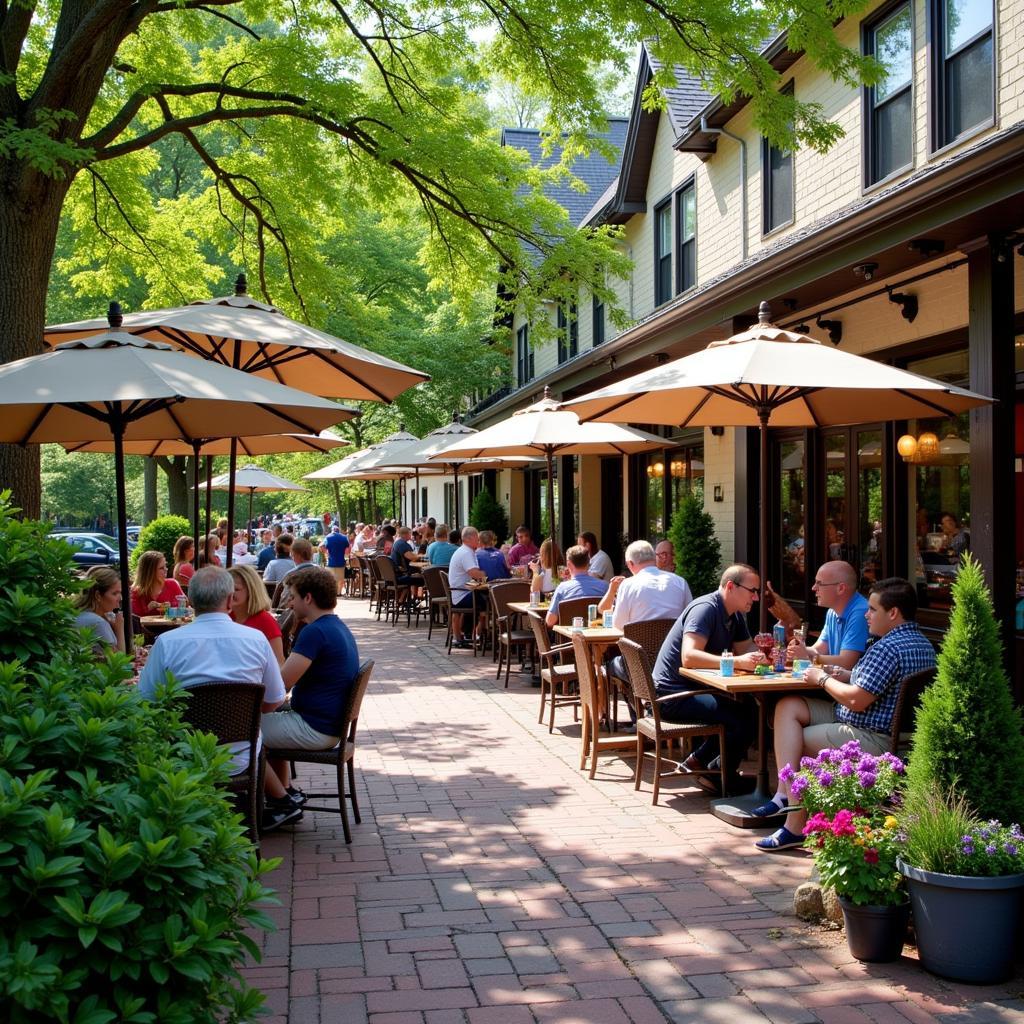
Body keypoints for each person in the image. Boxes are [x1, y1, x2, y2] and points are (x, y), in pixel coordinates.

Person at [755, 577, 937, 851]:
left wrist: (821, 679)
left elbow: (856, 700)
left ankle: (794, 827)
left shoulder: (887, 648)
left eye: (873, 609)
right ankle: (784, 795)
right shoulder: (922, 643)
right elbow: (881, 683)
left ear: (893, 613)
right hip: (889, 729)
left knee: (795, 742)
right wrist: (844, 673)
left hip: (872, 736)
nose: (867, 614)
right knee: (789, 705)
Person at [137, 567, 299, 832]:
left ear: (190, 601)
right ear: (228, 600)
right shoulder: (256, 640)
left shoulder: (166, 643)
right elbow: (273, 700)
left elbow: (145, 703)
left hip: (183, 756)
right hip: (241, 756)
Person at [651, 564, 763, 795]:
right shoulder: (706, 609)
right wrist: (738, 662)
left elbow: (747, 648)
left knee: (751, 709)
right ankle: (711, 771)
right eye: (752, 590)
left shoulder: (736, 615)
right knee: (742, 716)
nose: (756, 596)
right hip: (671, 696)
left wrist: (765, 654)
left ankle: (713, 769)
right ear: (731, 586)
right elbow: (689, 657)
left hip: (696, 690)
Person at [262, 567, 360, 794]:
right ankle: (283, 791)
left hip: (315, 728)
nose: (290, 605)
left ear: (308, 598)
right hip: (328, 725)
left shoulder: (315, 633)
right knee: (265, 722)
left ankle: (279, 801)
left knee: (241, 734)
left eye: (294, 597)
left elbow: (281, 685)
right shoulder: (337, 627)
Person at [780, 560, 869, 673]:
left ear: (840, 588)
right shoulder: (832, 611)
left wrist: (807, 656)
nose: (813, 588)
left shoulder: (861, 612)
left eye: (819, 583)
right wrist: (796, 650)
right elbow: (818, 650)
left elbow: (847, 662)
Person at [598, 539, 692, 629]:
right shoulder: (680, 582)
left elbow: (618, 624)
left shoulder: (628, 585)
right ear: (654, 558)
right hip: (673, 644)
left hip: (637, 645)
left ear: (630, 563)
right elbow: (690, 616)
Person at [229, 563, 285, 665]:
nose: (230, 593)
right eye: (226, 588)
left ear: (251, 590)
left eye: (236, 589)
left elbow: (278, 663)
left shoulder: (266, 622)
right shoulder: (224, 617)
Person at [545, 545, 609, 627]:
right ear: (588, 563)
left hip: (569, 638)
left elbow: (550, 621)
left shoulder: (562, 589)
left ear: (568, 564)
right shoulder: (605, 587)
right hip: (598, 638)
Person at [447, 526, 488, 648]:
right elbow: (474, 573)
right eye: (477, 538)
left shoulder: (465, 550)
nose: (479, 541)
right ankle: (480, 634)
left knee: (483, 598)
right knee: (488, 601)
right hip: (461, 594)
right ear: (470, 538)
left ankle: (471, 634)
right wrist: (488, 575)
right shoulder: (466, 552)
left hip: (460, 592)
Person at [73, 565, 125, 653]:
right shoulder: (97, 622)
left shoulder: (80, 614)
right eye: (115, 593)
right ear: (97, 596)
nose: (120, 598)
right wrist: (119, 628)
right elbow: (120, 662)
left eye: (120, 593)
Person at [130, 550, 186, 617]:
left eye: (165, 566)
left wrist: (169, 610)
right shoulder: (136, 592)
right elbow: (134, 619)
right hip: (146, 627)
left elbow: (186, 609)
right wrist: (147, 609)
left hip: (174, 627)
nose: (166, 569)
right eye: (161, 568)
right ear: (150, 572)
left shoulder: (173, 584)